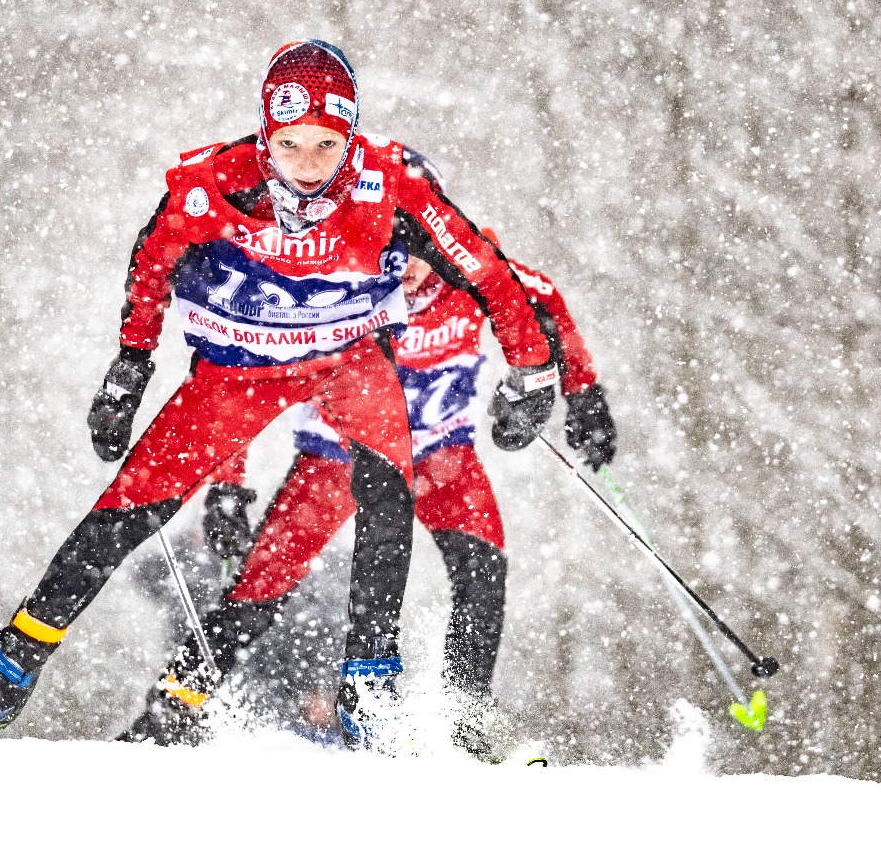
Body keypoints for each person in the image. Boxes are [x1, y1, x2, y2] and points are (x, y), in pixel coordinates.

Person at [0, 40, 559, 745]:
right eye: (290, 145)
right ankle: (7, 671)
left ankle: (370, 684)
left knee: (387, 489)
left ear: (351, 138)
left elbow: (491, 275)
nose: (309, 167)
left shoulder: (390, 183)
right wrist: (128, 371)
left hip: (350, 360)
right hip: (240, 367)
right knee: (127, 510)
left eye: (328, 145)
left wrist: (532, 370)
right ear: (268, 136)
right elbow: (150, 267)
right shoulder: (211, 185)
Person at [118, 242, 616, 756]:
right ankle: (167, 716)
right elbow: (242, 376)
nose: (406, 268)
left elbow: (543, 300)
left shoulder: (470, 262)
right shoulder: (329, 273)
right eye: (390, 250)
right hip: (338, 458)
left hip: (440, 455)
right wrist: (227, 484)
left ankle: (465, 729)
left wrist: (584, 394)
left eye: (418, 247)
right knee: (257, 589)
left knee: (483, 575)